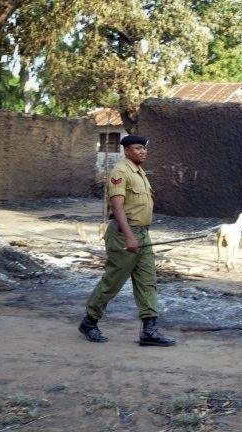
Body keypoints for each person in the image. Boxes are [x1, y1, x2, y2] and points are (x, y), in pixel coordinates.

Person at [78, 135, 176, 347]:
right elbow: (117, 207)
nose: (143, 152)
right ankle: (89, 322)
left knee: (147, 281)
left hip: (142, 235)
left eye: (144, 148)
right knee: (113, 281)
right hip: (124, 234)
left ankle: (149, 330)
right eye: (137, 148)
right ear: (127, 151)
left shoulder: (140, 173)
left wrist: (139, 234)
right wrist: (130, 235)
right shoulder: (121, 172)